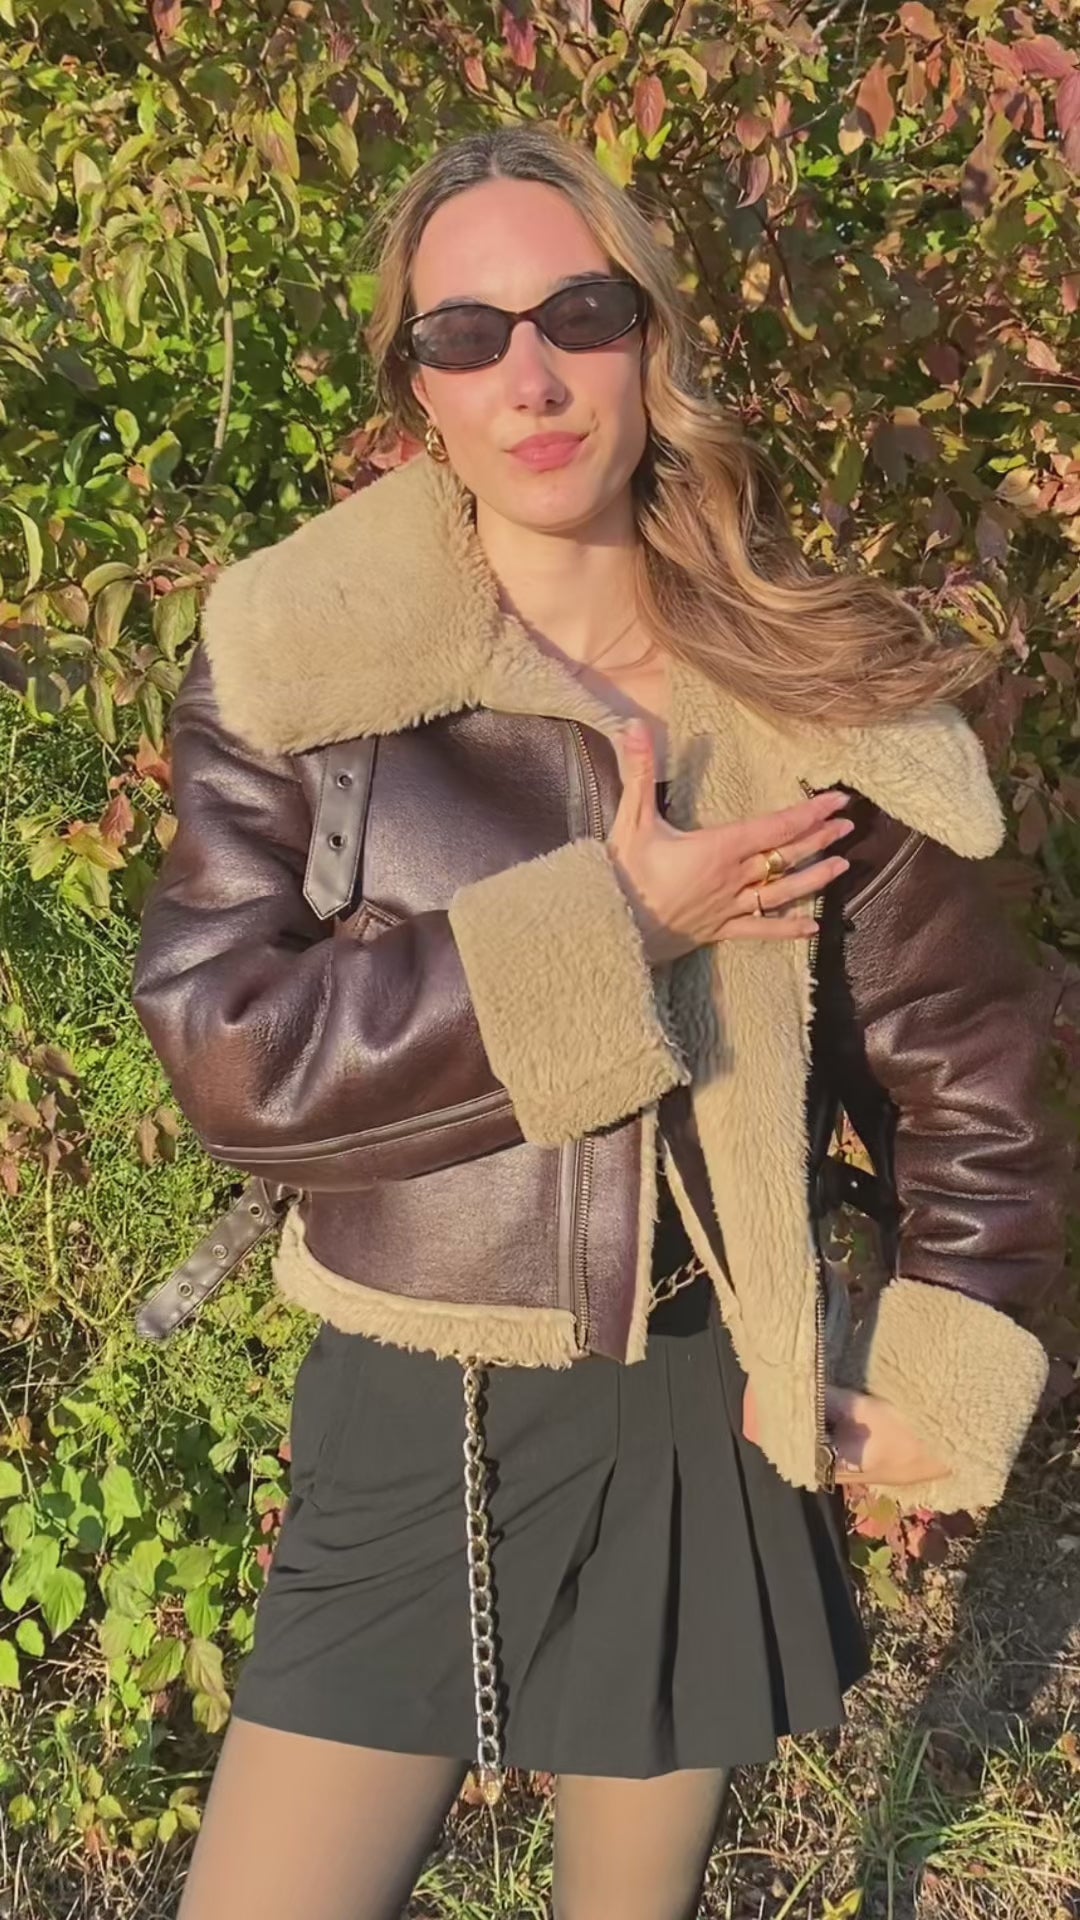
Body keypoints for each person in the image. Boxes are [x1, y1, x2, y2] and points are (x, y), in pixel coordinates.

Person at [131, 125, 1067, 1920]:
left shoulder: (814, 690)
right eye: (466, 333)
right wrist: (617, 928)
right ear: (416, 390)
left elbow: (966, 1065)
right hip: (416, 1403)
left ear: (653, 338)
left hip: (701, 1401)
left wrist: (947, 1334)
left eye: (578, 313)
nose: (533, 376)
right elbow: (232, 1056)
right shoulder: (302, 673)